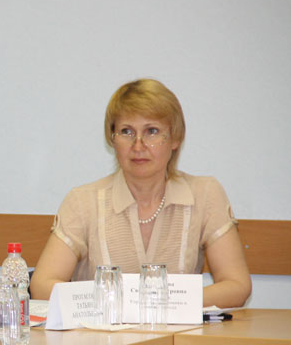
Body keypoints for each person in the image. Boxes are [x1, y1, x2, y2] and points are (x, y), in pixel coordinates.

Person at [30, 79, 251, 308]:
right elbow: (42, 286)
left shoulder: (205, 194)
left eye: (152, 131)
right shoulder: (83, 201)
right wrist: (120, 302)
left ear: (175, 138)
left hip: (178, 331)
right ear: (112, 139)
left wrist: (161, 303)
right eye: (126, 132)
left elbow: (237, 285)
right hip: (102, 332)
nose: (138, 145)